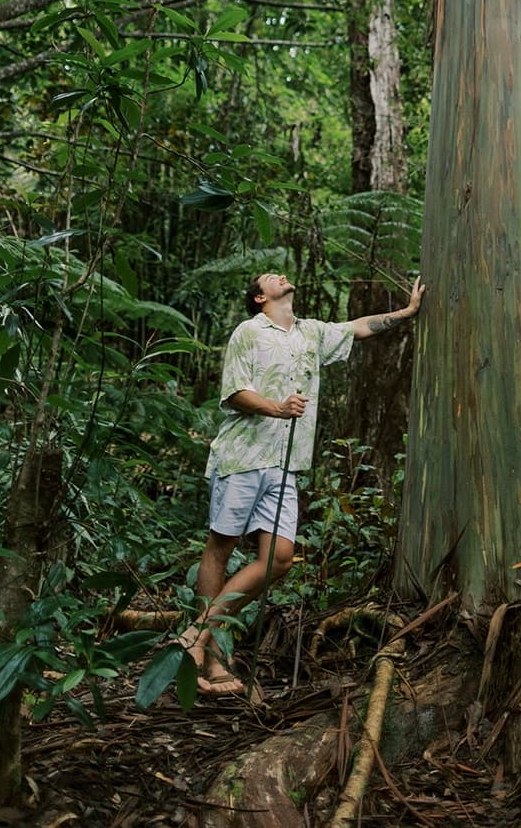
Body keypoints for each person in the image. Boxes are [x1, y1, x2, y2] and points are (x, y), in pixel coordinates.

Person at [179, 268, 425, 694]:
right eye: (268, 278)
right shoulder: (248, 332)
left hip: (285, 463)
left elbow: (360, 327)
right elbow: (235, 392)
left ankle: (196, 636)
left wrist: (407, 311)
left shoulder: (311, 333)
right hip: (242, 457)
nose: (279, 276)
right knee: (222, 547)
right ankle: (215, 661)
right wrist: (277, 407)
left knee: (279, 559)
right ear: (259, 298)